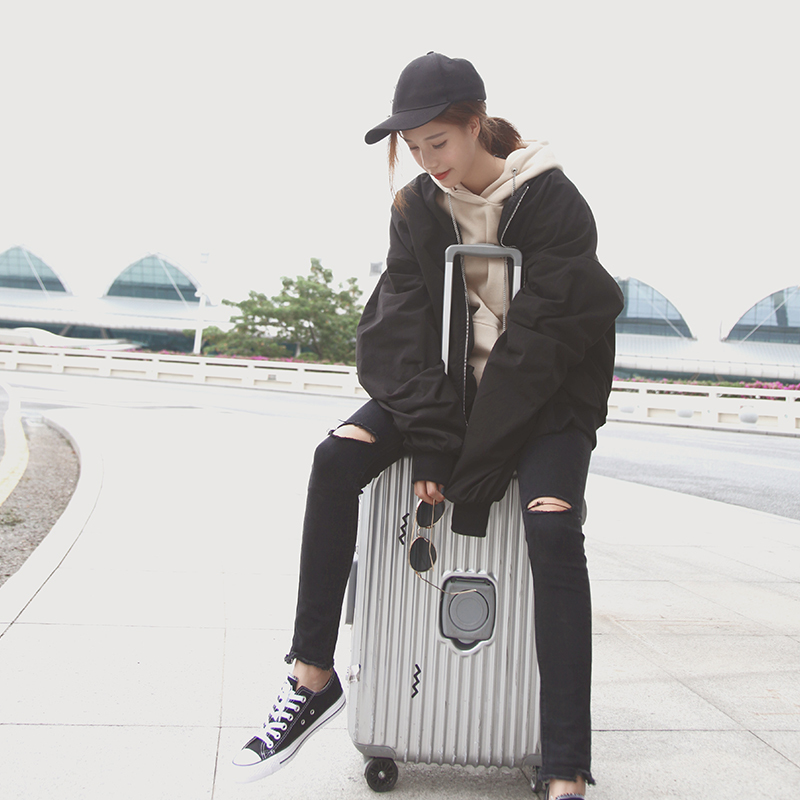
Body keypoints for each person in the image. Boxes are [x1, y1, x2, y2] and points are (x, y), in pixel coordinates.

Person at [233, 52, 624, 799]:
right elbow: (399, 331)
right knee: (335, 457)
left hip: (544, 398)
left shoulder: (553, 201)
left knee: (552, 526)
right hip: (446, 393)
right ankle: (311, 677)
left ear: (476, 124)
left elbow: (543, 347)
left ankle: (565, 766)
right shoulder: (416, 207)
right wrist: (437, 442)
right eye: (413, 149)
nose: (427, 161)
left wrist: (471, 463)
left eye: (437, 142)